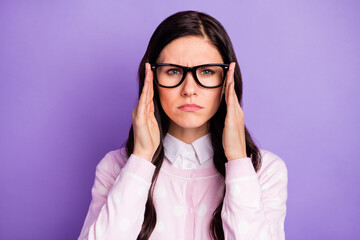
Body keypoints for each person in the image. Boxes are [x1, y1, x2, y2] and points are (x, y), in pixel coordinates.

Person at [78, 10, 288, 240]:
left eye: (207, 72)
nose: (189, 90)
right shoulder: (115, 167)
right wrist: (140, 160)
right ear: (152, 79)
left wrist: (237, 159)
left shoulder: (264, 171)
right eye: (173, 71)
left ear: (227, 80)